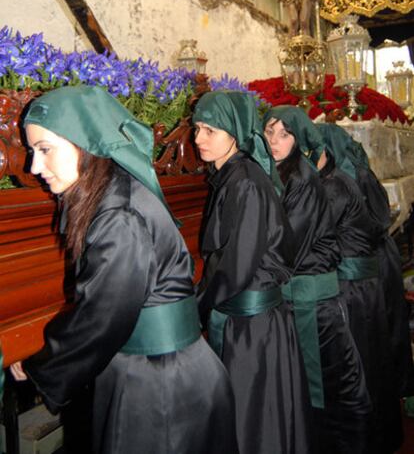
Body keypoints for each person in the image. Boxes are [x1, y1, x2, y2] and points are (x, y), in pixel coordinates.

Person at [10, 85, 239, 454]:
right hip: (163, 372)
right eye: (33, 152)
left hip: (161, 385)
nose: (35, 168)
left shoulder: (118, 215)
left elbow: (101, 317)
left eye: (45, 150)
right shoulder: (111, 193)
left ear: (84, 143)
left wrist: (41, 366)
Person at [192, 91, 313, 454]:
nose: (198, 138)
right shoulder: (232, 175)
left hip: (252, 328)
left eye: (209, 130)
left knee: (254, 423)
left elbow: (235, 266)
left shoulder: (244, 181)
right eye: (197, 128)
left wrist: (195, 310)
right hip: (248, 319)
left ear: (234, 132)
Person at [263, 105, 371, 454]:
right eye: (270, 132)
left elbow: (287, 244)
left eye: (284, 134)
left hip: (313, 304)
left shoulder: (304, 179)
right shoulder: (281, 172)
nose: (275, 141)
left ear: (299, 137)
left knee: (326, 390)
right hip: (301, 297)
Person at [317, 122, 404, 454]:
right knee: (377, 358)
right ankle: (384, 433)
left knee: (363, 361)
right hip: (379, 266)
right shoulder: (359, 170)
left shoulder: (340, 182)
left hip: (358, 277)